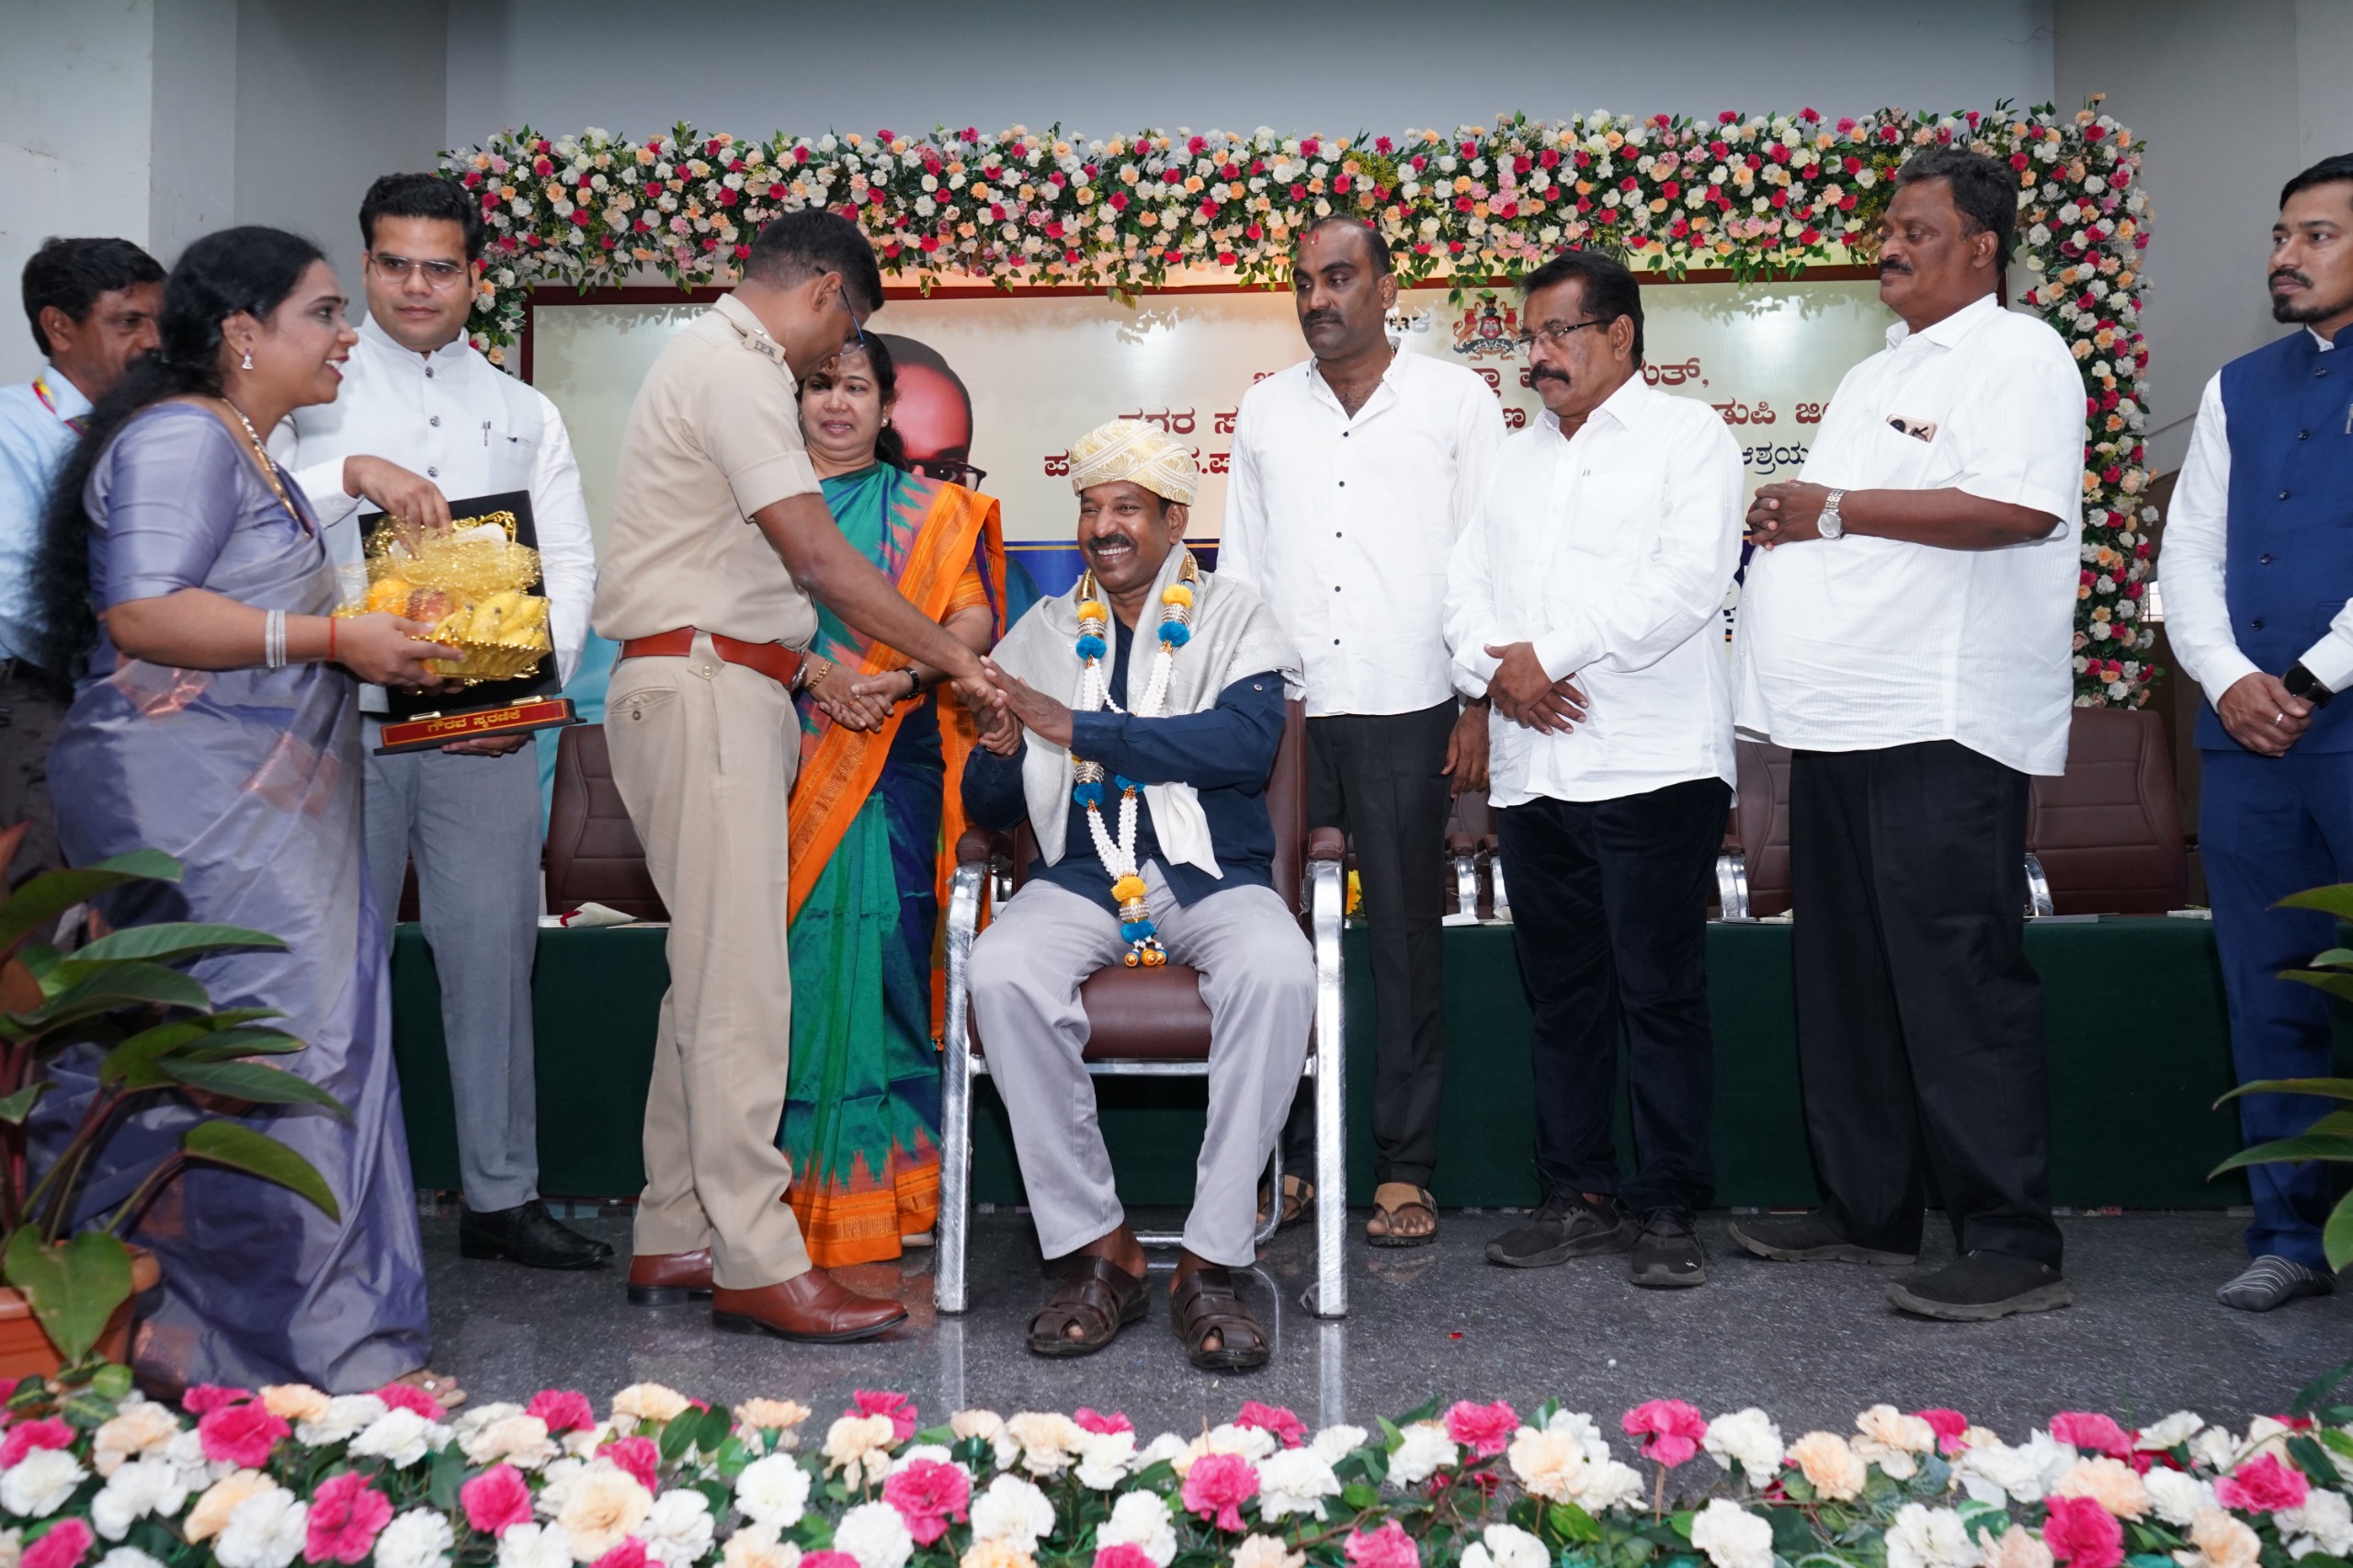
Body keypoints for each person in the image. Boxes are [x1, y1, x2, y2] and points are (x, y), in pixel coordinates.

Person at [31, 225, 464, 1397]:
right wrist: (332, 636)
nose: (344, 335)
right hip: (195, 804)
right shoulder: (181, 435)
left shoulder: (245, 443)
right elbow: (144, 616)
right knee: (273, 1052)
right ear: (242, 332)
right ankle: (271, 1350)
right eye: (324, 312)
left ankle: (307, 1342)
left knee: (317, 1041)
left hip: (265, 800)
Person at [591, 209, 999, 1343]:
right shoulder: (734, 369)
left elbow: (738, 576)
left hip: (728, 680)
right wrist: (956, 657)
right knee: (740, 990)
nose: (838, 362)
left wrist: (817, 669)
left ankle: (675, 1228)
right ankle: (760, 1256)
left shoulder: (711, 361)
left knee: (703, 977)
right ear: (826, 291)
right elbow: (817, 557)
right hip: (705, 691)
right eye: (849, 329)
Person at [1728, 147, 2086, 1322]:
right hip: (1848, 717)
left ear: (1981, 247)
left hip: (1944, 714)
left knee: (1954, 975)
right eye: (1884, 225)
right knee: (1846, 971)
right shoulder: (1873, 369)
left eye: (1913, 228)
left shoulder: (2017, 354)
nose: (1888, 242)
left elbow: (2018, 507)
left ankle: (2010, 1233)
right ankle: (1867, 1207)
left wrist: (1829, 507)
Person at [276, 172, 607, 1273]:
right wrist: (348, 473)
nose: (417, 285)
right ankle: (335, 1199)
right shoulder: (309, 391)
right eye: (394, 263)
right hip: (331, 724)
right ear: (364, 264)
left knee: (490, 963)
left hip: (485, 733)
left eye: (440, 265)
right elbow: (257, 510)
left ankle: (502, 1198)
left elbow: (567, 559)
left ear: (477, 274)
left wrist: (518, 690)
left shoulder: (525, 410)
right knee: (331, 966)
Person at [961, 418, 1310, 1370]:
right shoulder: (1041, 631)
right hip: (1079, 872)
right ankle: (1098, 1246)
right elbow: (991, 804)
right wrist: (999, 747)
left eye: (1124, 507)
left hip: (1209, 872)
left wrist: (1079, 725)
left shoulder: (1236, 613)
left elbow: (1242, 747)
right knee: (999, 968)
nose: (1102, 525)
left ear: (1173, 521)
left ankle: (1209, 1257)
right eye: (1088, 507)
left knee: (1280, 969)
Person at [1444, 249, 1744, 1289]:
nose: (1536, 357)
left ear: (1620, 335)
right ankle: (1576, 1191)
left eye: (1556, 334)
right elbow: (1461, 593)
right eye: (1527, 338)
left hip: (1653, 760)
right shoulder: (1512, 460)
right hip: (1535, 770)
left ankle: (1667, 1206)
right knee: (1561, 994)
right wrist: (1497, 673)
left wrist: (1546, 655)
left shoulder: (1688, 437)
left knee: (1658, 990)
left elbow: (1686, 583)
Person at [1222, 216, 1503, 1246]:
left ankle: (1403, 1167)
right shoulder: (1263, 410)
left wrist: (1476, 698)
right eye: (1302, 282)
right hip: (1286, 714)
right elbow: (1241, 573)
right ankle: (1287, 1162)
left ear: (1389, 288)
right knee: (1269, 945)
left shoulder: (1456, 401)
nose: (1317, 299)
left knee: (1403, 947)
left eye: (1339, 278)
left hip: (1407, 700)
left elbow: (1485, 555)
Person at [2160, 151, 2353, 1312]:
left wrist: (2310, 678)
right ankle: (2289, 1228)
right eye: (2282, 234)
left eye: (2316, 235)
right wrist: (2233, 680)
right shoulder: (2240, 384)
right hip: (2250, 747)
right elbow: (2187, 553)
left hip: (2337, 724)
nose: (2284, 255)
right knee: (2267, 983)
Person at [779, 334, 1005, 1266]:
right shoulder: (762, 509)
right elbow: (723, 613)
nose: (837, 404)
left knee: (887, 952)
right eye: (820, 386)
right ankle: (774, 1202)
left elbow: (972, 618)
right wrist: (814, 671)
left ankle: (896, 1193)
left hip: (896, 758)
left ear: (885, 409)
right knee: (785, 976)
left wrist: (905, 677)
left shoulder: (935, 510)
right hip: (785, 754)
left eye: (856, 387)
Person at [0, 238, 163, 886]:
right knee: (44, 903)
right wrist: (115, 660)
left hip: (150, 704)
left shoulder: (158, 427)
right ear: (59, 326)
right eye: (129, 322)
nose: (153, 341)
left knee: (131, 907)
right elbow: (14, 588)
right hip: (45, 697)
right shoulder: (13, 427)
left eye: (159, 320)